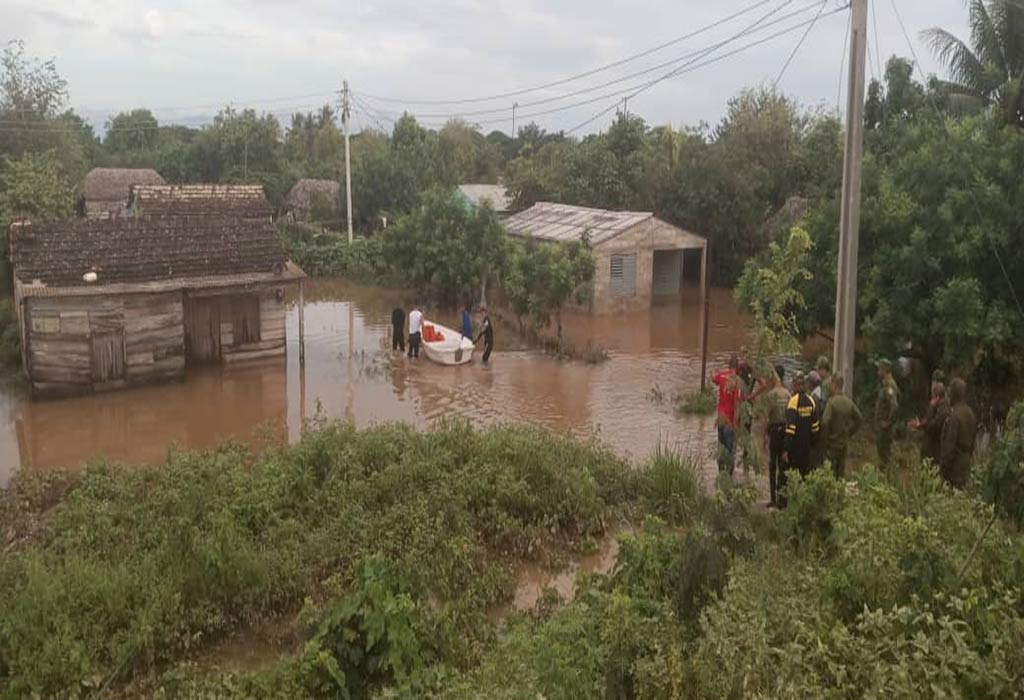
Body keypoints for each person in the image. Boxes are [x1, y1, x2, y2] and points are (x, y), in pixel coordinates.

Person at [782, 373, 820, 501]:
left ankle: (793, 502)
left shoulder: (793, 402)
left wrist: (786, 449)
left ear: (795, 385)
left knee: (793, 476)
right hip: (807, 447)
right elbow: (815, 427)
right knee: (804, 475)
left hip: (794, 448)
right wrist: (813, 445)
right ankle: (803, 501)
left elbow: (790, 428)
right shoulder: (811, 401)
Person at [820, 375, 862, 479]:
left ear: (834, 384)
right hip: (843, 444)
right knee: (840, 474)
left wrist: (824, 441)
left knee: (829, 474)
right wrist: (850, 432)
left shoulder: (831, 402)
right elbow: (859, 419)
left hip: (832, 445)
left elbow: (825, 422)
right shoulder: (848, 402)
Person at [941, 378, 977, 489]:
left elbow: (949, 447)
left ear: (954, 394)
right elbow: (973, 442)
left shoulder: (954, 416)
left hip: (954, 467)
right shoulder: (970, 413)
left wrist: (943, 469)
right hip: (965, 463)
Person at [712, 355, 742, 475]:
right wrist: (736, 424)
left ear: (729, 365)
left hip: (720, 419)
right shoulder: (737, 382)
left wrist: (712, 373)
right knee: (730, 452)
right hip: (729, 421)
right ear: (738, 367)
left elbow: (713, 379)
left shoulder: (722, 376)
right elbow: (737, 405)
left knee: (721, 448)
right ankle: (729, 480)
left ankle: (720, 475)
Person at [766, 364, 791, 508]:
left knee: (772, 465)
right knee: (783, 465)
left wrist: (764, 437)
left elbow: (767, 417)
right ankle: (783, 499)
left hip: (774, 431)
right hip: (785, 433)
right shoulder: (788, 394)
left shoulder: (771, 395)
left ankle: (773, 499)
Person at [911, 381, 949, 467]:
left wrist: (931, 407)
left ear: (937, 397)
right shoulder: (939, 408)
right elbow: (928, 422)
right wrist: (920, 424)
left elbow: (932, 425)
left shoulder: (943, 411)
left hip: (935, 450)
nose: (931, 400)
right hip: (932, 448)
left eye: (933, 397)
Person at [874, 359, 899, 467]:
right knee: (883, 455)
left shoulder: (889, 385)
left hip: (885, 430)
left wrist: (888, 422)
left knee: (885, 457)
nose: (878, 372)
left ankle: (888, 479)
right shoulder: (885, 384)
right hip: (882, 428)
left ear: (884, 370)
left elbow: (894, 405)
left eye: (879, 369)